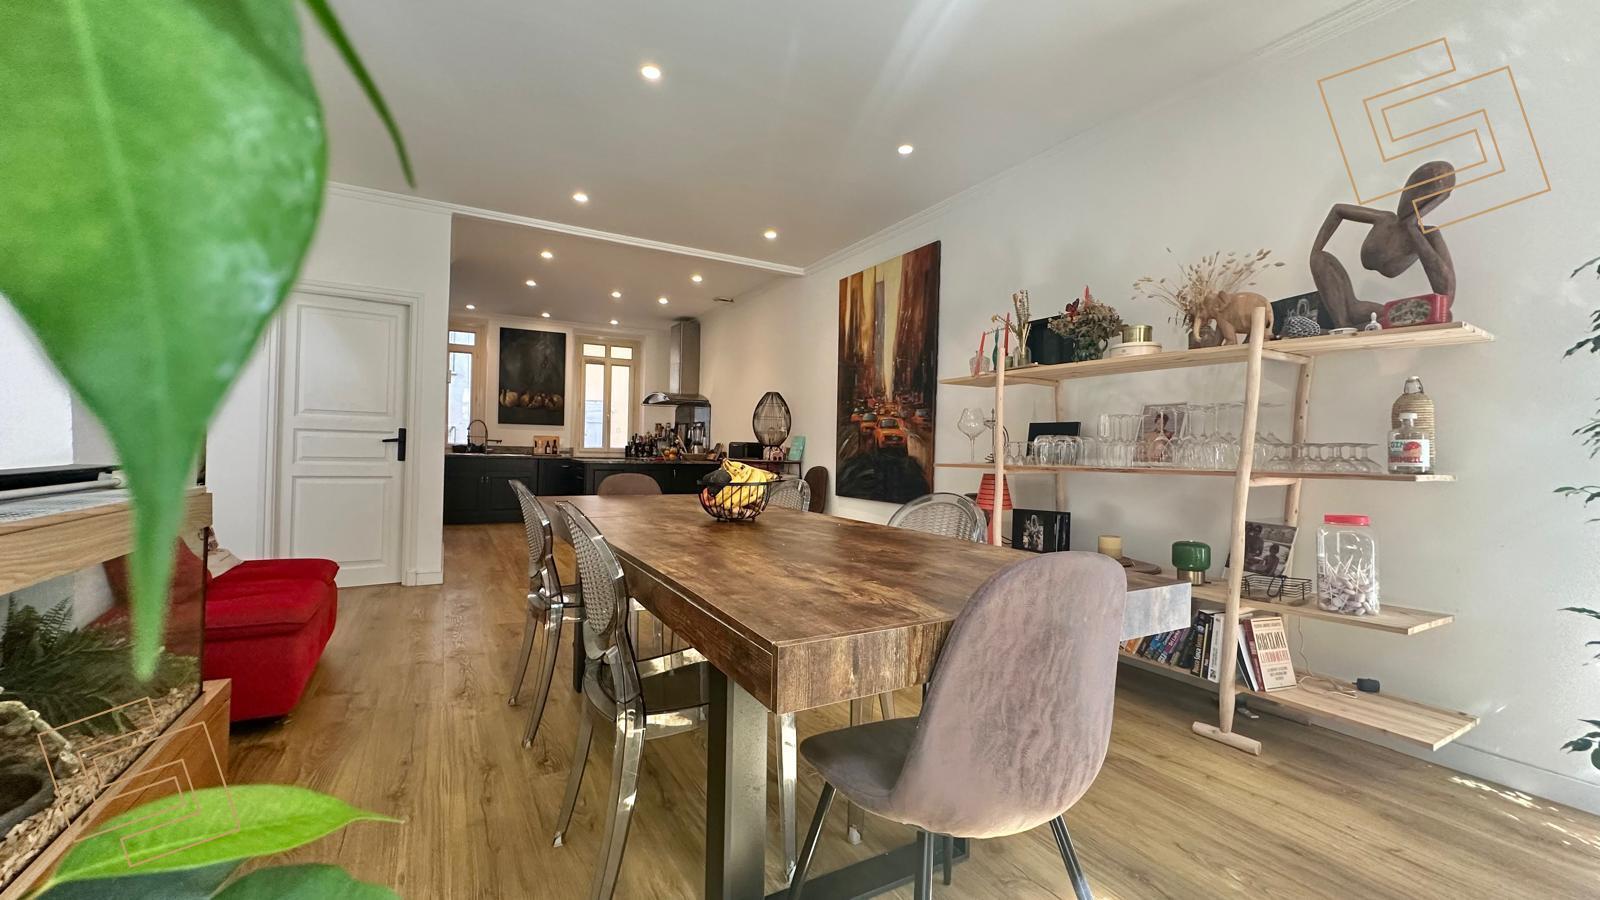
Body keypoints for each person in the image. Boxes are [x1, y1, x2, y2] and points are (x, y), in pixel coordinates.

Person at [1309, 160, 1457, 328]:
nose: (1411, 197)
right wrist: (1315, 250)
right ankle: (1344, 325)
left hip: (1380, 312)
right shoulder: (1385, 219)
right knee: (1318, 259)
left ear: (1435, 201)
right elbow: (1338, 210)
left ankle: (1356, 326)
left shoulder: (1427, 237)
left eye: (1425, 196)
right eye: (1411, 189)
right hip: (1352, 303)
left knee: (1444, 314)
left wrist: (1412, 227)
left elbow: (1446, 297)